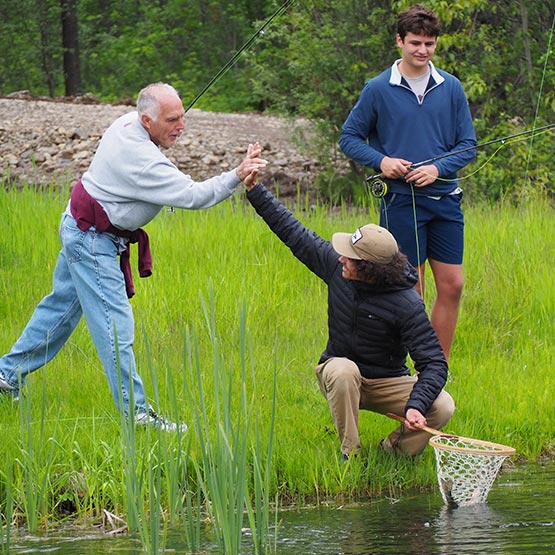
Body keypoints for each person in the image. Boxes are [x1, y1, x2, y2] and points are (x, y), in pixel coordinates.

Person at [0, 82, 267, 431]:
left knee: (59, 312)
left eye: (182, 116)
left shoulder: (125, 124)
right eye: (171, 119)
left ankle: (6, 376)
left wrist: (164, 136)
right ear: (145, 120)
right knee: (115, 328)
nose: (181, 126)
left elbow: (164, 162)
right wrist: (237, 173)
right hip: (92, 239)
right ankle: (136, 415)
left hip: (79, 225)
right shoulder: (144, 161)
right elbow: (195, 195)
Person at [244, 174, 454, 459]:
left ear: (370, 268)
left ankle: (392, 454)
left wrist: (416, 405)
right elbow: (293, 232)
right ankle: (350, 455)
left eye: (349, 256)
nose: (341, 257)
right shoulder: (337, 268)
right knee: (343, 370)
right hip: (339, 374)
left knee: (442, 405)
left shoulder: (407, 304)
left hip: (386, 382)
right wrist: (255, 190)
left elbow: (434, 364)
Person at [339, 5, 477, 361]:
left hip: (446, 199)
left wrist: (438, 169)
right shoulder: (378, 89)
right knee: (410, 291)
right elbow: (349, 138)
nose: (423, 51)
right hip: (400, 203)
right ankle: (405, 376)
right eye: (415, 43)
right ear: (399, 41)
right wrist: (382, 161)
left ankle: (436, 371)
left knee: (453, 285)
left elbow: (468, 145)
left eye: (430, 44)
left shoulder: (451, 88)